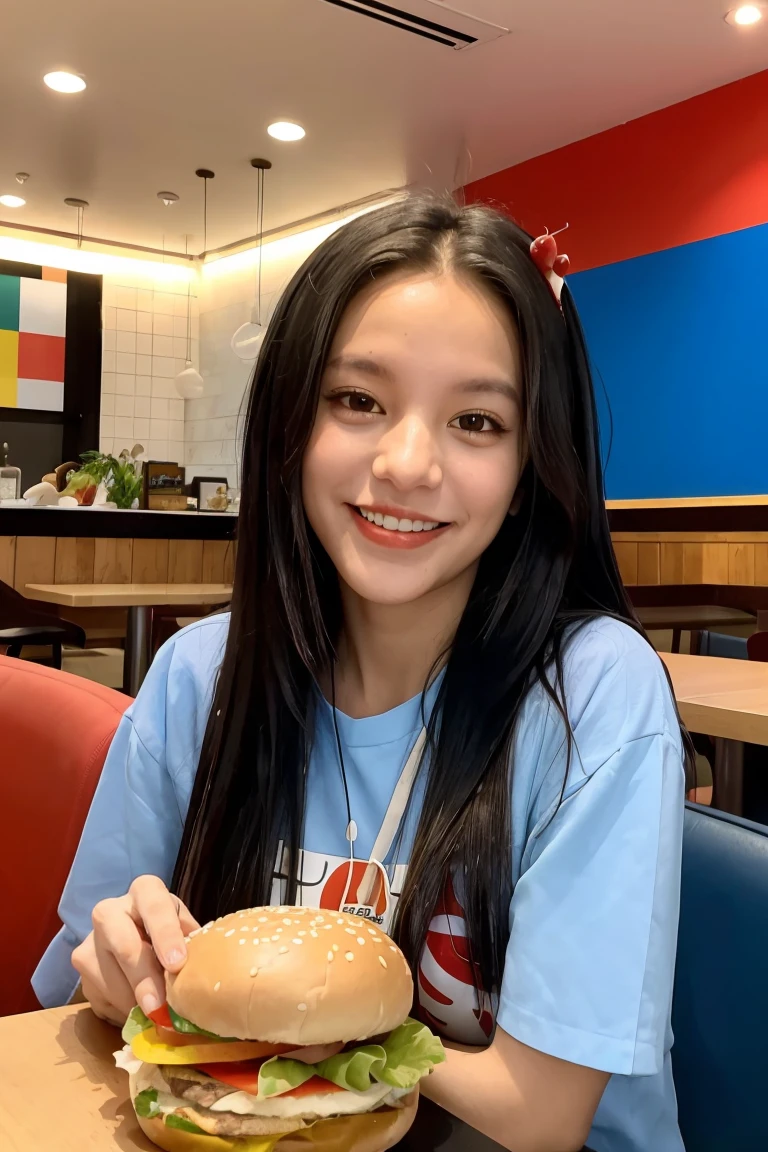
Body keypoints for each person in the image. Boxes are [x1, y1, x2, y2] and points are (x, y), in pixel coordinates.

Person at [33, 196, 690, 1152]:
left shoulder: (590, 697)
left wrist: (254, 1035)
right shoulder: (198, 678)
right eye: (358, 401)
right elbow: (74, 990)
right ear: (292, 424)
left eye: (475, 419)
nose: (406, 462)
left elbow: (540, 1114)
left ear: (531, 465)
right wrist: (117, 965)